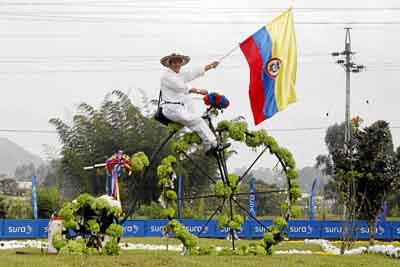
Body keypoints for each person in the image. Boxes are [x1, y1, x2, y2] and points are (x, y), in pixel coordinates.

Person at [159, 53, 229, 155]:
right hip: (171, 108)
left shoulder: (180, 73)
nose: (177, 64)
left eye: (179, 62)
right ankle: (213, 144)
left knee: (197, 118)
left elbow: (193, 73)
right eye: (174, 62)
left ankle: (209, 143)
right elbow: (180, 87)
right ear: (169, 64)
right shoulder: (167, 76)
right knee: (197, 121)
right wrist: (199, 91)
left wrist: (210, 66)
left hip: (181, 107)